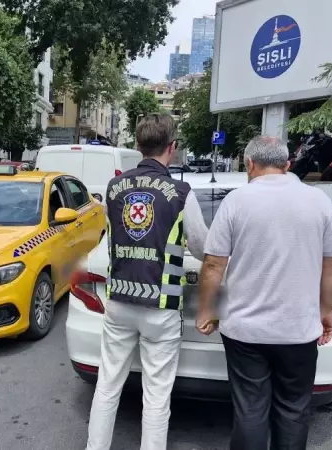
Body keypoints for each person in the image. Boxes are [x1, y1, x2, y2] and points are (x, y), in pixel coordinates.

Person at [195, 136, 332, 450]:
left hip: (245, 332)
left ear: (249, 164)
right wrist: (326, 312)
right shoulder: (318, 201)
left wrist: (208, 310)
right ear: (287, 165)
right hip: (298, 330)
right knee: (293, 410)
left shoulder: (236, 201)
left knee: (250, 410)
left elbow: (213, 264)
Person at [85, 113, 208, 450]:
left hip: (119, 301)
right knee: (156, 396)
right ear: (173, 147)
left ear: (138, 145)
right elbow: (202, 247)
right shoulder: (181, 193)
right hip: (161, 308)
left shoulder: (113, 188)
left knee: (107, 385)